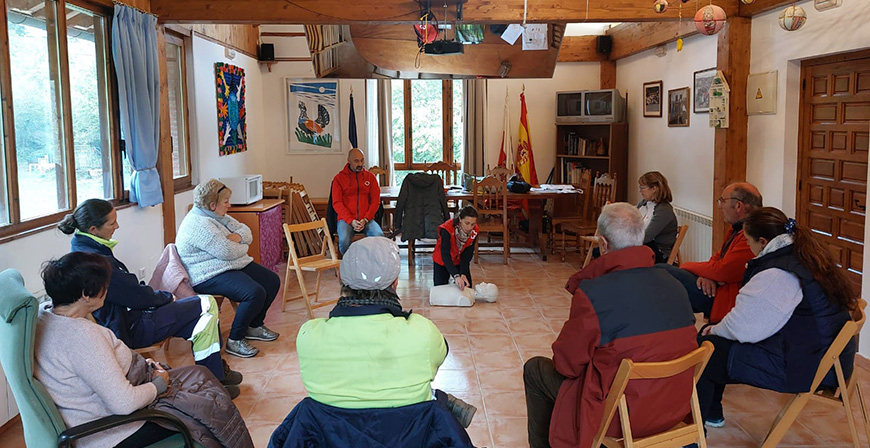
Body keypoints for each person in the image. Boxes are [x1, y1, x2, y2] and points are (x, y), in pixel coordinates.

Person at [523, 203, 698, 448]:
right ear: (640, 237)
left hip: (623, 416)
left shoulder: (594, 294)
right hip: (673, 407)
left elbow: (566, 364)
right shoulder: (674, 283)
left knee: (535, 370)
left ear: (603, 244)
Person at [35, 252, 253, 448]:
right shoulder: (82, 338)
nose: (107, 290)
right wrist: (159, 383)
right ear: (86, 294)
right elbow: (124, 403)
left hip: (119, 393)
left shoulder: (46, 315)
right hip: (116, 430)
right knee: (209, 409)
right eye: (104, 286)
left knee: (201, 375)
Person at [283, 237, 476, 445]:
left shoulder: (308, 336)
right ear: (395, 282)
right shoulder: (422, 331)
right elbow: (442, 352)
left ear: (341, 281)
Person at [60, 199, 242, 397]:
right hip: (132, 328)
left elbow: (130, 292)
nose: (117, 226)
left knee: (202, 320)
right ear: (94, 229)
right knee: (206, 304)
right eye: (112, 223)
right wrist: (167, 297)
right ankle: (215, 378)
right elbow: (135, 295)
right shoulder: (96, 262)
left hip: (132, 318)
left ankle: (214, 379)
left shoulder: (85, 250)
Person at [696, 207, 857, 429]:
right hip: (822, 356)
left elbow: (745, 329)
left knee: (707, 348)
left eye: (748, 241)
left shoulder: (779, 273)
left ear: (763, 242)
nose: (748, 248)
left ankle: (698, 426)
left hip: (808, 366)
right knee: (715, 336)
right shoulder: (801, 255)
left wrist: (713, 331)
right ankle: (711, 413)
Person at [176, 179, 281, 359]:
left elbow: (246, 231)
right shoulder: (199, 223)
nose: (229, 205)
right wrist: (242, 245)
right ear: (212, 205)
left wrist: (238, 239)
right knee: (254, 292)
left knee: (271, 281)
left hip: (228, 264)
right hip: (206, 273)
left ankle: (254, 326)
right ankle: (235, 339)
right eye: (226, 202)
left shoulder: (217, 216)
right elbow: (226, 251)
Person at [658, 182, 762, 323]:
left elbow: (723, 271)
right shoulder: (736, 229)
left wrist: (686, 265)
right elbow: (718, 258)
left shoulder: (752, 236)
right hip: (717, 288)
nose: (720, 206)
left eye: (722, 201)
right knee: (663, 274)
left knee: (662, 272)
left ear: (738, 206)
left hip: (725, 298)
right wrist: (707, 274)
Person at [331, 148, 384, 254]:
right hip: (346, 220)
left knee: (379, 237)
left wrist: (366, 219)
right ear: (348, 160)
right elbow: (337, 203)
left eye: (362, 160)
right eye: (356, 161)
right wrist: (351, 220)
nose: (360, 164)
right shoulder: (339, 179)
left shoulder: (371, 177)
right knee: (344, 240)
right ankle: (349, 263)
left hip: (366, 219)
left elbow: (375, 201)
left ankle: (370, 263)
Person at [433, 205, 478, 290]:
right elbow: (445, 254)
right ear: (460, 219)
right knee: (440, 290)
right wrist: (456, 275)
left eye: (472, 224)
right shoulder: (447, 229)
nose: (469, 228)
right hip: (442, 260)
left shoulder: (474, 231)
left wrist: (463, 273)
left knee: (466, 288)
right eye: (467, 223)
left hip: (459, 260)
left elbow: (467, 254)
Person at [636, 171, 678, 263]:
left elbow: (646, 237)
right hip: (643, 247)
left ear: (654, 188)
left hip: (658, 252)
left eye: (642, 188)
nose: (640, 191)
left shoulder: (664, 210)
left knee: (617, 254)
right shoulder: (643, 204)